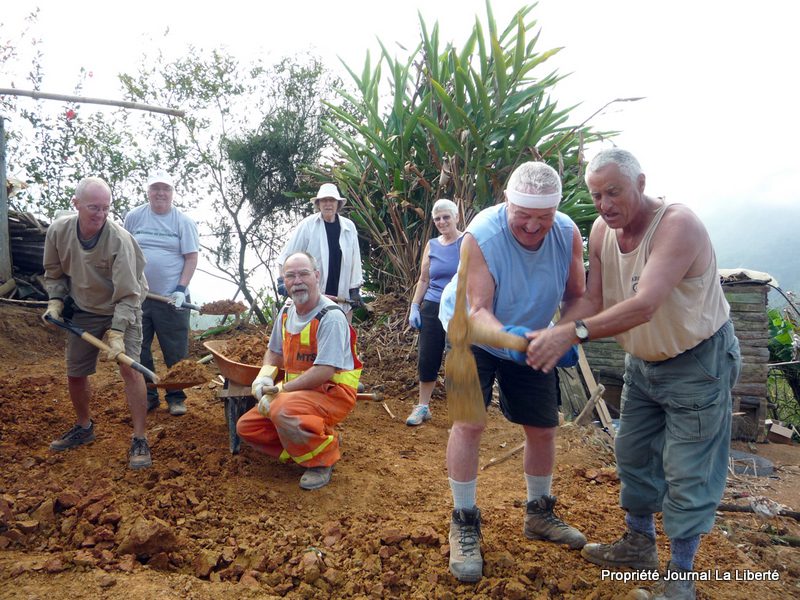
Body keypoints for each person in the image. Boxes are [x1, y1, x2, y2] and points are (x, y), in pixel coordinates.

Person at [525, 149, 741, 600]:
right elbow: (595, 298)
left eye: (614, 192)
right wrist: (555, 329)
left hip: (697, 362)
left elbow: (644, 306)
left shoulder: (678, 225)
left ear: (640, 184)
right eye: (596, 194)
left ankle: (680, 580)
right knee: (634, 453)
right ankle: (639, 545)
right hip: (642, 364)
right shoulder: (603, 231)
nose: (604, 204)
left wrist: (573, 334)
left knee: (687, 469)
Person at [438, 161, 587, 583]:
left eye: (545, 217)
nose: (534, 227)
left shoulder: (567, 233)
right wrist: (518, 342)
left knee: (542, 428)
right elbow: (479, 311)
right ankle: (463, 520)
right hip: (469, 333)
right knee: (469, 424)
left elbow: (577, 296)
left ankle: (539, 513)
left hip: (534, 333)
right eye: (524, 216)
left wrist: (563, 333)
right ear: (507, 201)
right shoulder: (480, 236)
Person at [42, 177, 152, 469]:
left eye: (106, 208)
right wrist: (56, 300)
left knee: (130, 368)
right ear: (75, 204)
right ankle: (84, 426)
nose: (100, 214)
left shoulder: (119, 239)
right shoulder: (58, 231)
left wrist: (117, 333)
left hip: (123, 305)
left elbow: (129, 293)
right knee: (75, 372)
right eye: (93, 207)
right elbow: (53, 272)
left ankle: (139, 438)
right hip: (85, 307)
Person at [236, 251, 362, 490]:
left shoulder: (331, 317)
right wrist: (264, 376)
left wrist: (281, 390)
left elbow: (325, 370)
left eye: (304, 274)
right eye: (290, 276)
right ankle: (311, 443)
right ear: (284, 282)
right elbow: (274, 351)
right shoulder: (286, 312)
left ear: (316, 276)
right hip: (299, 395)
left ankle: (322, 460)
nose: (297, 281)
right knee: (248, 428)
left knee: (282, 410)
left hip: (332, 393)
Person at [124, 169, 199, 416]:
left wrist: (180, 289)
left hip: (171, 299)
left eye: (166, 189)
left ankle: (176, 397)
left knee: (175, 350)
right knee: (139, 348)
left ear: (172, 192)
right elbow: (125, 252)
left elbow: (191, 258)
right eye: (156, 188)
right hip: (139, 297)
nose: (161, 193)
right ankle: (149, 395)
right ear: (148, 191)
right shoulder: (134, 217)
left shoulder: (183, 222)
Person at [406, 198, 464, 425]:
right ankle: (422, 407)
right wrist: (414, 306)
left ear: (456, 217)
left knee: (457, 360)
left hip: (458, 309)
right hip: (431, 306)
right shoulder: (432, 245)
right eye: (437, 218)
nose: (442, 222)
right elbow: (423, 279)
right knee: (428, 356)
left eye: (446, 217)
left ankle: (460, 415)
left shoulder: (467, 242)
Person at [277, 183, 364, 323]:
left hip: (341, 296)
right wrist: (282, 280)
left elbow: (355, 260)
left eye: (332, 200)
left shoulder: (349, 227)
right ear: (318, 204)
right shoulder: (307, 226)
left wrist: (354, 290)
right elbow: (286, 257)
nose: (328, 204)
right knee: (313, 336)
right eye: (324, 200)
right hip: (313, 297)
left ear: (338, 204)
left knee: (342, 336)